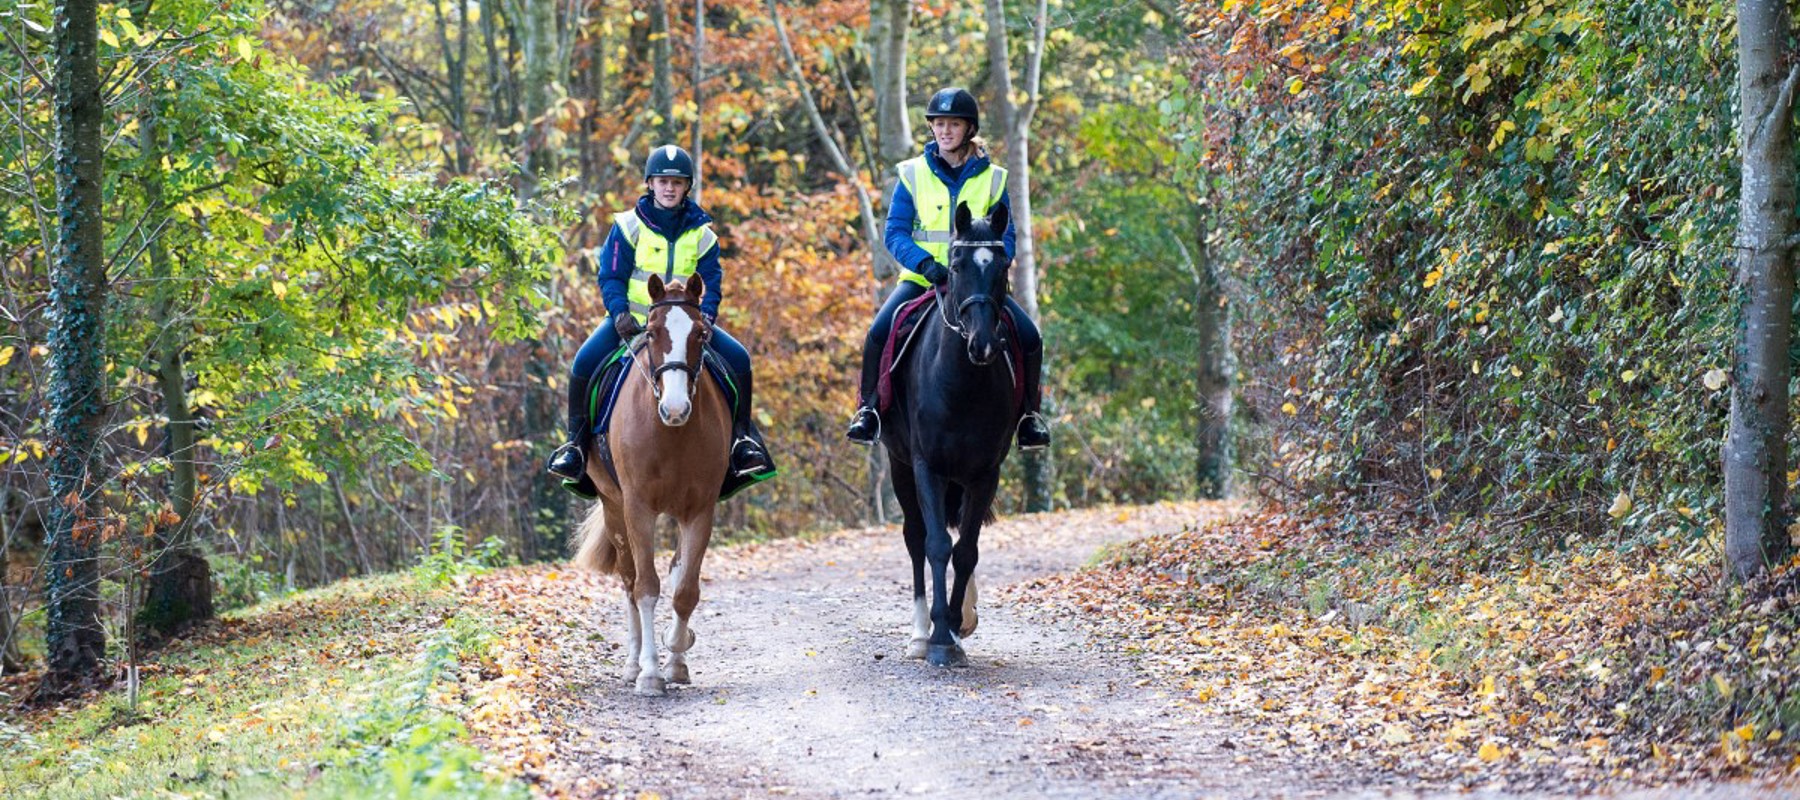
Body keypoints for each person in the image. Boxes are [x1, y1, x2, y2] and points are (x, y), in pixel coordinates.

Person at [547, 144, 776, 490]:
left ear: (687, 187)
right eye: (662, 181)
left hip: (686, 326)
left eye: (677, 182)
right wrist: (619, 312)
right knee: (583, 362)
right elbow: (610, 276)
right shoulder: (627, 227)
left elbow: (711, 282)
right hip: (634, 322)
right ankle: (575, 446)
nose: (669, 188)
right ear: (650, 184)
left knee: (740, 360)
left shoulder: (703, 235)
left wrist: (708, 317)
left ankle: (742, 442)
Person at [844, 87, 1050, 449]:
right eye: (939, 124)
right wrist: (926, 264)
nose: (944, 131)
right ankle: (869, 411)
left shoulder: (994, 178)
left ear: (969, 129)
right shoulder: (913, 174)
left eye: (953, 124)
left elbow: (1008, 234)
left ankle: (1030, 418)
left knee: (1030, 336)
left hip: (978, 287)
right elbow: (894, 233)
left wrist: (996, 269)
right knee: (878, 332)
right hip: (925, 280)